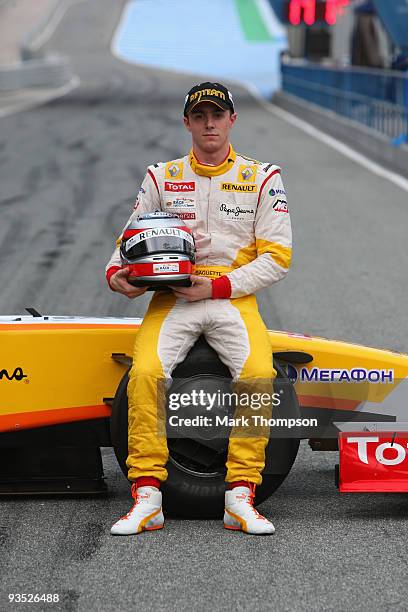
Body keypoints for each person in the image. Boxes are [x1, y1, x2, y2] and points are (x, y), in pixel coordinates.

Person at [106, 82, 292, 535]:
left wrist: (218, 288)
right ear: (186, 122)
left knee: (259, 375)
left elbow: (277, 258)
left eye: (217, 115)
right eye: (200, 116)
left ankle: (240, 496)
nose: (209, 123)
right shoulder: (160, 176)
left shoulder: (263, 177)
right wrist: (118, 276)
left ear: (232, 120)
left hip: (232, 298)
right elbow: (127, 243)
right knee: (146, 373)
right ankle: (147, 496)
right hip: (171, 299)